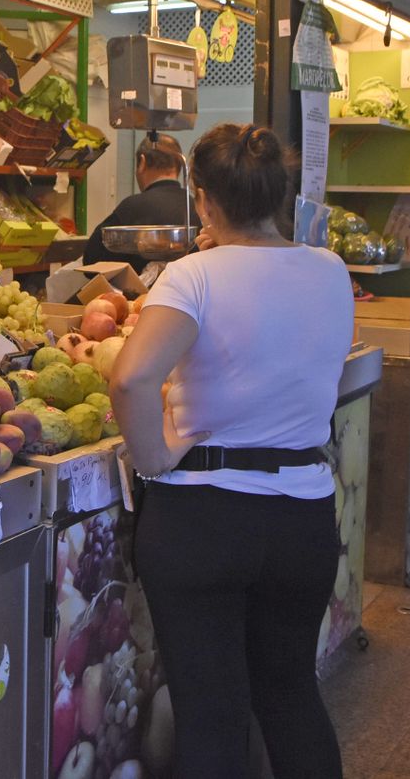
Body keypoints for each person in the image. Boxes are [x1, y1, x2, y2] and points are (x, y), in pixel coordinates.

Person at [109, 123, 350, 777]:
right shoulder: (329, 271)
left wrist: (154, 455)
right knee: (291, 694)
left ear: (202, 197)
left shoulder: (192, 277)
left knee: (211, 710)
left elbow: (130, 375)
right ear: (281, 196)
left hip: (201, 520)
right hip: (301, 515)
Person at [82, 133, 196, 271]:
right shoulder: (197, 207)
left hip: (138, 292)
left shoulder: (131, 206)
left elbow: (91, 260)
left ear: (142, 162)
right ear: (179, 166)